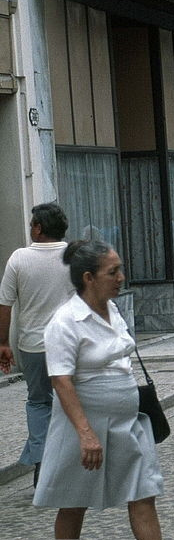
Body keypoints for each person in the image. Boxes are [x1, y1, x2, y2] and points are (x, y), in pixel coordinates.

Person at [34, 240, 169, 540]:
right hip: (83, 425)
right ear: (88, 278)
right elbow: (61, 381)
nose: (121, 276)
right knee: (73, 502)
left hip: (128, 423)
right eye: (113, 271)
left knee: (143, 495)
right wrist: (85, 433)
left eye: (119, 269)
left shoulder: (114, 310)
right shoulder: (65, 321)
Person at [0, 203, 75, 487]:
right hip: (68, 345)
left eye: (32, 223)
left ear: (39, 228)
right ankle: (67, 464)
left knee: (38, 402)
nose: (31, 227)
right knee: (70, 401)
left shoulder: (19, 258)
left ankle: (43, 462)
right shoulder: (74, 257)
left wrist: (3, 342)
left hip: (31, 345)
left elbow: (4, 305)